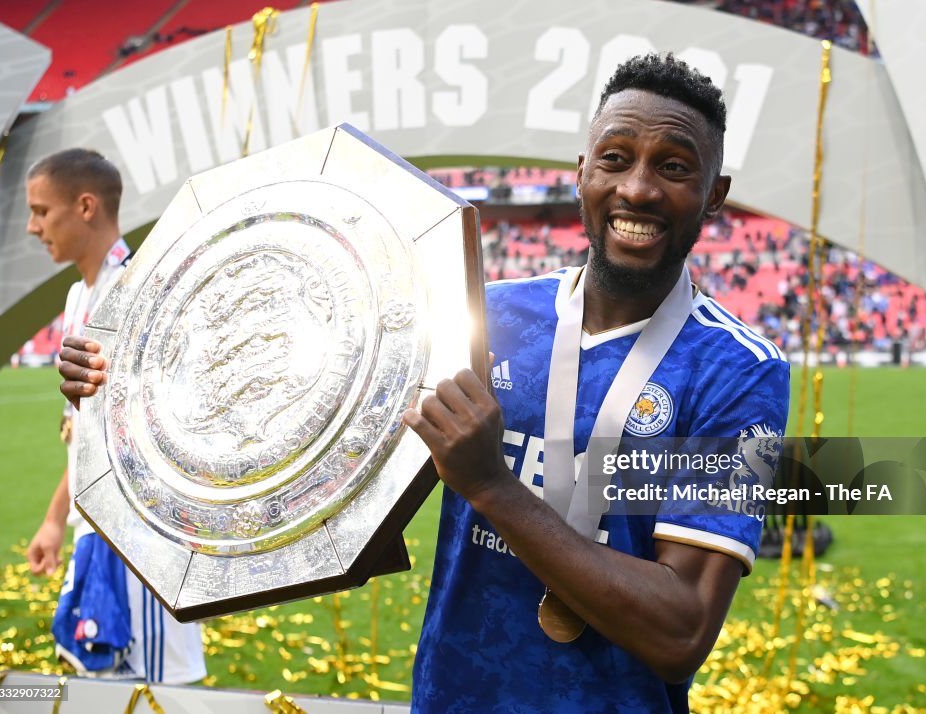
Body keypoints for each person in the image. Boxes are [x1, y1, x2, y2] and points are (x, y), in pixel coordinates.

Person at [59, 53, 789, 710]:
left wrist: (491, 486)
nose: (638, 188)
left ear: (715, 193)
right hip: (452, 698)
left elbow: (680, 630)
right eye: (616, 158)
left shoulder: (740, 372)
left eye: (673, 167)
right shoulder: (485, 312)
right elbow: (301, 409)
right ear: (581, 172)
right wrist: (129, 386)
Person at [25, 148, 206, 684]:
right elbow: (85, 434)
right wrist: (57, 517)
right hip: (94, 526)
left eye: (41, 211)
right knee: (102, 680)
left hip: (140, 534)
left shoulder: (138, 289)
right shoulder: (79, 295)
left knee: (157, 686)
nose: (33, 228)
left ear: (85, 206)